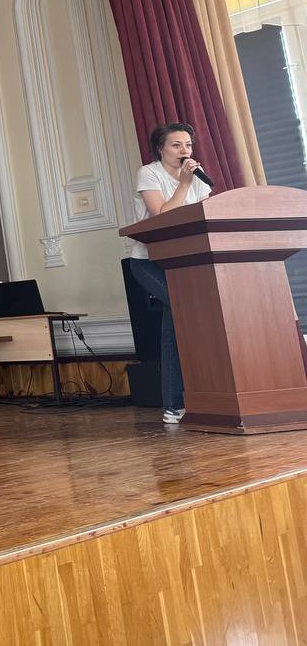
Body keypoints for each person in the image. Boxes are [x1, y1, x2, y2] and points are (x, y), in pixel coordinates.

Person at [127, 123, 211, 424]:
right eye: (176, 145)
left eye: (188, 145)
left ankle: (175, 405)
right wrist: (184, 185)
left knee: (174, 324)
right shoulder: (149, 173)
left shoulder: (199, 176)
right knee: (182, 309)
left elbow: (206, 217)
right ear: (160, 149)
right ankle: (176, 403)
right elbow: (162, 216)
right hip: (149, 263)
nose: (184, 151)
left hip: (185, 261)